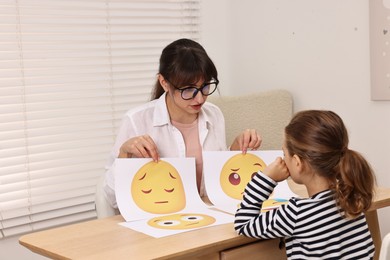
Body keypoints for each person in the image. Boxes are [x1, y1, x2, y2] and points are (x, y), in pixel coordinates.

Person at [104, 38, 262, 208]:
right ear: (164, 83)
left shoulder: (214, 114)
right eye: (188, 90)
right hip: (160, 219)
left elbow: (218, 182)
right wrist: (124, 154)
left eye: (205, 87)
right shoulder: (136, 120)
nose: (200, 98)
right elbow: (111, 198)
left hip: (207, 217)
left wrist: (236, 149)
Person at [234, 110, 376, 259]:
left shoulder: (296, 213)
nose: (283, 159)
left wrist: (266, 178)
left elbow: (244, 224)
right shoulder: (353, 199)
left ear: (297, 162)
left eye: (284, 154)